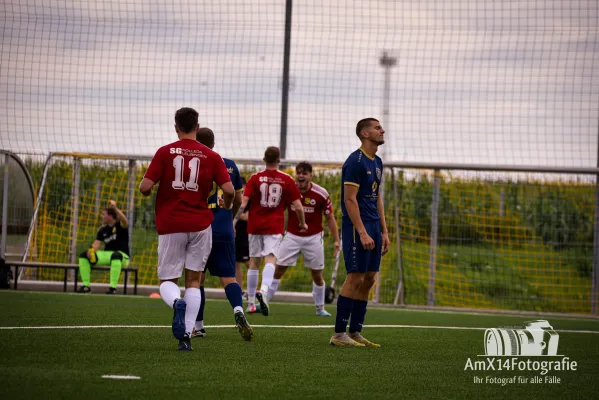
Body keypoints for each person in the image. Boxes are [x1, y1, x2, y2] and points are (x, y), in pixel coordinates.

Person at [139, 107, 234, 351]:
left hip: (171, 224)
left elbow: (144, 186)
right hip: (201, 224)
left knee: (167, 280)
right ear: (197, 127)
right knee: (194, 280)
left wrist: (150, 189)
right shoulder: (212, 156)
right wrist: (227, 203)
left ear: (176, 127)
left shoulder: (164, 152)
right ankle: (187, 336)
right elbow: (230, 190)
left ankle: (176, 303)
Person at [329, 118, 390, 348]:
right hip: (358, 227)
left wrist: (384, 231)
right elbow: (349, 200)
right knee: (355, 276)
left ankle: (355, 332)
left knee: (370, 278)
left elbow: (377, 197)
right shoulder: (354, 162)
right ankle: (338, 334)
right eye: (377, 127)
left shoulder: (378, 162)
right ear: (365, 133)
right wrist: (363, 232)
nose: (382, 130)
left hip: (374, 225)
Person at [193, 127, 253, 341]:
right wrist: (230, 217)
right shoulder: (229, 165)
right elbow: (238, 199)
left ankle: (198, 326)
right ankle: (238, 309)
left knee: (196, 279)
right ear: (214, 144)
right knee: (229, 277)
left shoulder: (193, 163)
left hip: (199, 228)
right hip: (224, 228)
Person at [233, 146, 307, 316]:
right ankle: (264, 291)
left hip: (255, 225)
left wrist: (234, 222)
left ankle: (251, 303)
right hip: (274, 226)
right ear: (279, 160)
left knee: (253, 262)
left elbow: (243, 204)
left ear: (264, 160)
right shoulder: (287, 180)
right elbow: (298, 207)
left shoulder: (255, 178)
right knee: (271, 259)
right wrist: (302, 224)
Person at [266, 161, 340, 316]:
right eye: (298, 172)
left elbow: (330, 218)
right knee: (279, 269)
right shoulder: (288, 191)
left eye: (304, 173)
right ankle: (264, 302)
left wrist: (336, 240)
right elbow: (278, 211)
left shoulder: (321, 194)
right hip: (292, 236)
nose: (301, 176)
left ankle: (320, 308)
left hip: (313, 238)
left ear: (310, 175)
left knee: (317, 275)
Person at [77, 200, 129, 295]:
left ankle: (112, 289)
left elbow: (125, 221)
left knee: (116, 255)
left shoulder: (120, 225)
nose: (102, 216)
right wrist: (91, 251)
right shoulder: (102, 229)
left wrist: (115, 208)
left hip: (122, 256)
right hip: (107, 255)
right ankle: (86, 286)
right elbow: (96, 244)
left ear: (110, 216)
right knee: (83, 255)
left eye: (104, 214)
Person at [234, 177, 250, 292]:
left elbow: (247, 217)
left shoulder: (249, 200)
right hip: (235, 234)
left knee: (249, 263)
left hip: (246, 235)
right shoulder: (235, 198)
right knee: (236, 263)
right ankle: (240, 290)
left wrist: (237, 216)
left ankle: (252, 291)